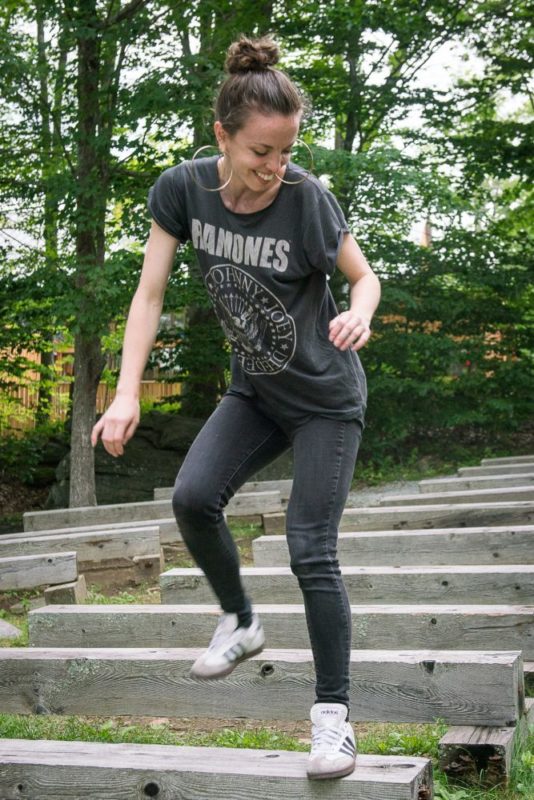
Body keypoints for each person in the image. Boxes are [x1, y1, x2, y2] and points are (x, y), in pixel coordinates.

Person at [91, 34, 381, 780]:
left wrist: (360, 312)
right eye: (261, 152)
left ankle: (332, 723)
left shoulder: (306, 199)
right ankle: (243, 620)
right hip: (256, 389)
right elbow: (148, 293)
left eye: (285, 152)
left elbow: (365, 276)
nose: (275, 167)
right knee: (192, 498)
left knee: (309, 545)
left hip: (324, 400)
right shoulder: (182, 191)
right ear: (222, 135)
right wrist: (126, 392)